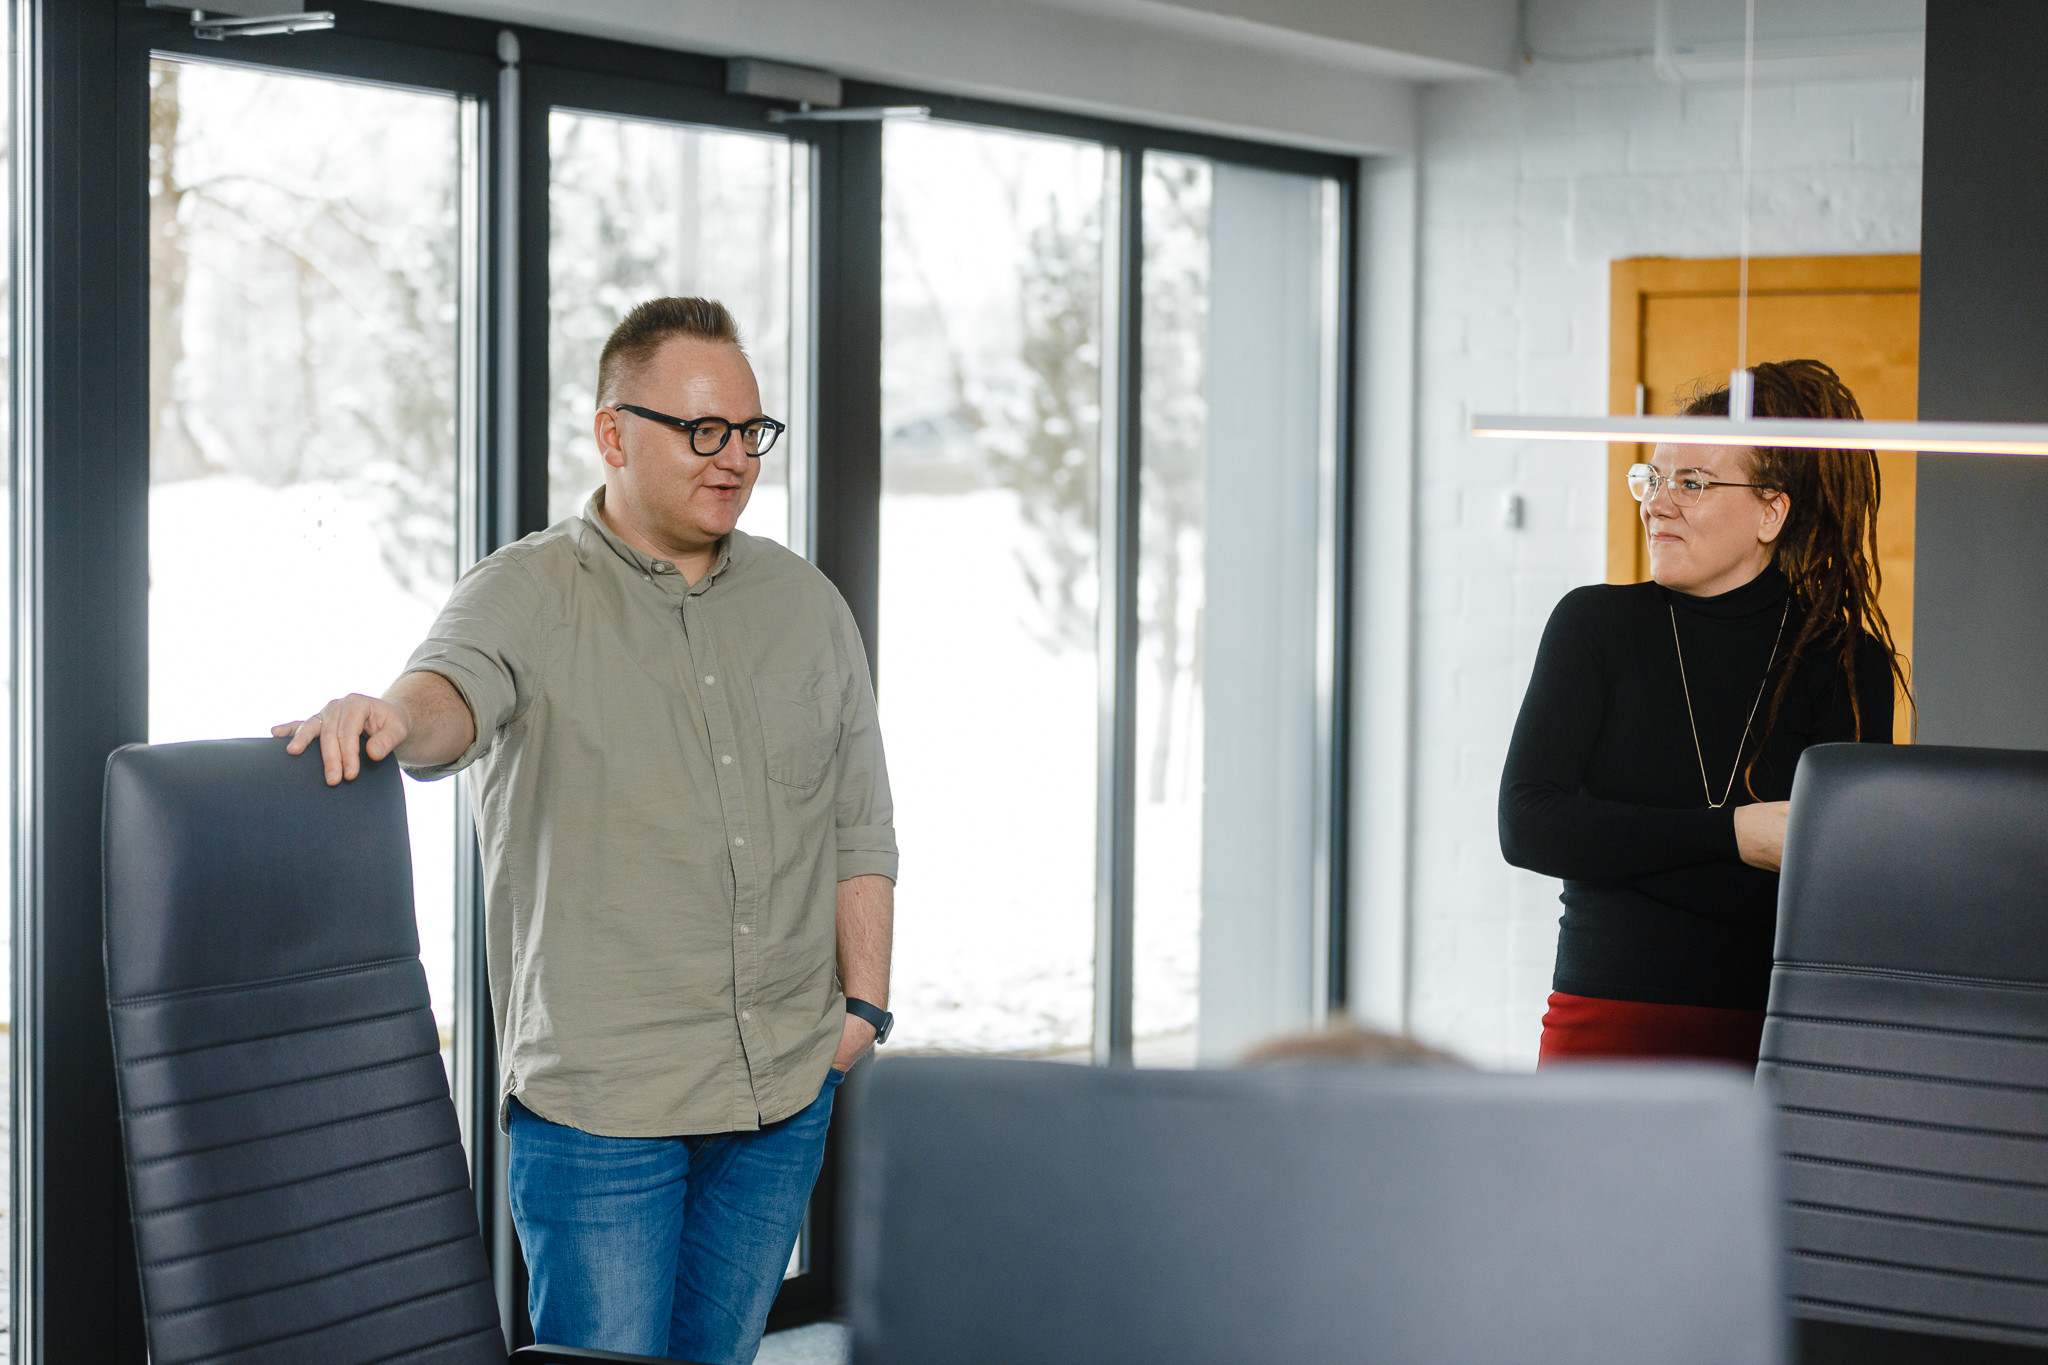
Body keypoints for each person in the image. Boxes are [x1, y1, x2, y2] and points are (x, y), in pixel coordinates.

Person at [274, 296, 897, 1363]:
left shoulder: (805, 604)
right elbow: (449, 693)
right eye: (703, 430)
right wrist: (391, 716)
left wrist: (862, 1014)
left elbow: (858, 823)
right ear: (613, 433)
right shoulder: (526, 589)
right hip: (605, 1115)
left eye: (750, 430)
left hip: (782, 1092)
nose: (735, 458)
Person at [1499, 359, 1905, 1068]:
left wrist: (1612, 850)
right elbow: (1528, 826)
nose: (1656, 504)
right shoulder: (1594, 626)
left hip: (1774, 1046)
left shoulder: (1844, 662)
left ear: (1771, 512)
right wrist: (1735, 836)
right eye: (1652, 479)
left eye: (1691, 483)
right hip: (1601, 1034)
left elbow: (1842, 883)